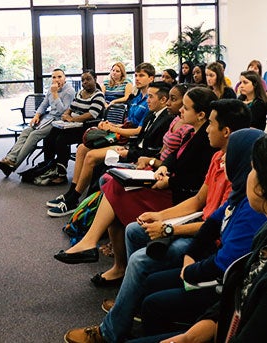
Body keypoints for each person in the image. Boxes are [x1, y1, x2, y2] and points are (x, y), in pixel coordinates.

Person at [62, 127, 261, 343]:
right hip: (202, 236)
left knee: (140, 261)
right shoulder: (236, 186)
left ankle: (111, 330)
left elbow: (223, 258)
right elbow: (210, 218)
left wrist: (169, 230)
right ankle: (127, 302)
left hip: (214, 262)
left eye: (212, 123)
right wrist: (161, 218)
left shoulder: (250, 209)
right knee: (131, 229)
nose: (208, 129)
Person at [53, 87, 218, 271]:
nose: (180, 110)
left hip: (177, 195)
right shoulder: (191, 132)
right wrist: (163, 166)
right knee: (112, 183)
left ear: (201, 114)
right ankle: (105, 255)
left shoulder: (207, 140)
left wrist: (166, 177)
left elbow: (196, 181)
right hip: (167, 183)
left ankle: (97, 248)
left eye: (186, 108)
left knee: (114, 188)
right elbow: (173, 158)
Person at [128, 134, 267, 343]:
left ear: (261, 186)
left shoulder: (253, 216)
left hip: (218, 283)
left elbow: (228, 270)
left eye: (253, 168)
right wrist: (190, 257)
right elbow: (211, 224)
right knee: (149, 275)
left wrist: (189, 268)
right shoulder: (249, 210)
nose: (222, 159)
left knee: (143, 268)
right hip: (223, 311)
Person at [46, 63, 155, 216]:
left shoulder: (150, 101)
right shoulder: (137, 98)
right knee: (82, 148)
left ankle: (74, 199)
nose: (137, 78)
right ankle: (71, 192)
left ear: (151, 78)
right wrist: (111, 124)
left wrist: (113, 129)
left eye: (141, 75)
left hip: (130, 142)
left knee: (90, 155)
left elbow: (138, 131)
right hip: (121, 135)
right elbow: (128, 123)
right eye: (136, 75)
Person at [0, 68, 75, 176]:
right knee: (26, 131)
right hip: (47, 118)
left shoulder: (69, 91)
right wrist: (37, 115)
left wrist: (55, 94)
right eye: (54, 77)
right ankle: (10, 158)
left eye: (59, 76)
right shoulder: (51, 89)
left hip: (59, 121)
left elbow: (63, 111)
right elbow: (44, 105)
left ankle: (12, 165)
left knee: (34, 135)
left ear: (65, 78)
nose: (57, 79)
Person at [42, 69, 106, 184]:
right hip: (73, 125)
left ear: (95, 79)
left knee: (61, 140)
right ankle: (49, 167)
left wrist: (72, 119)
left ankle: (61, 174)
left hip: (87, 127)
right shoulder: (79, 93)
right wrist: (66, 115)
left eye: (88, 79)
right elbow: (70, 108)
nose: (85, 82)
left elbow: (91, 114)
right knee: (49, 137)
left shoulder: (99, 95)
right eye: (83, 80)